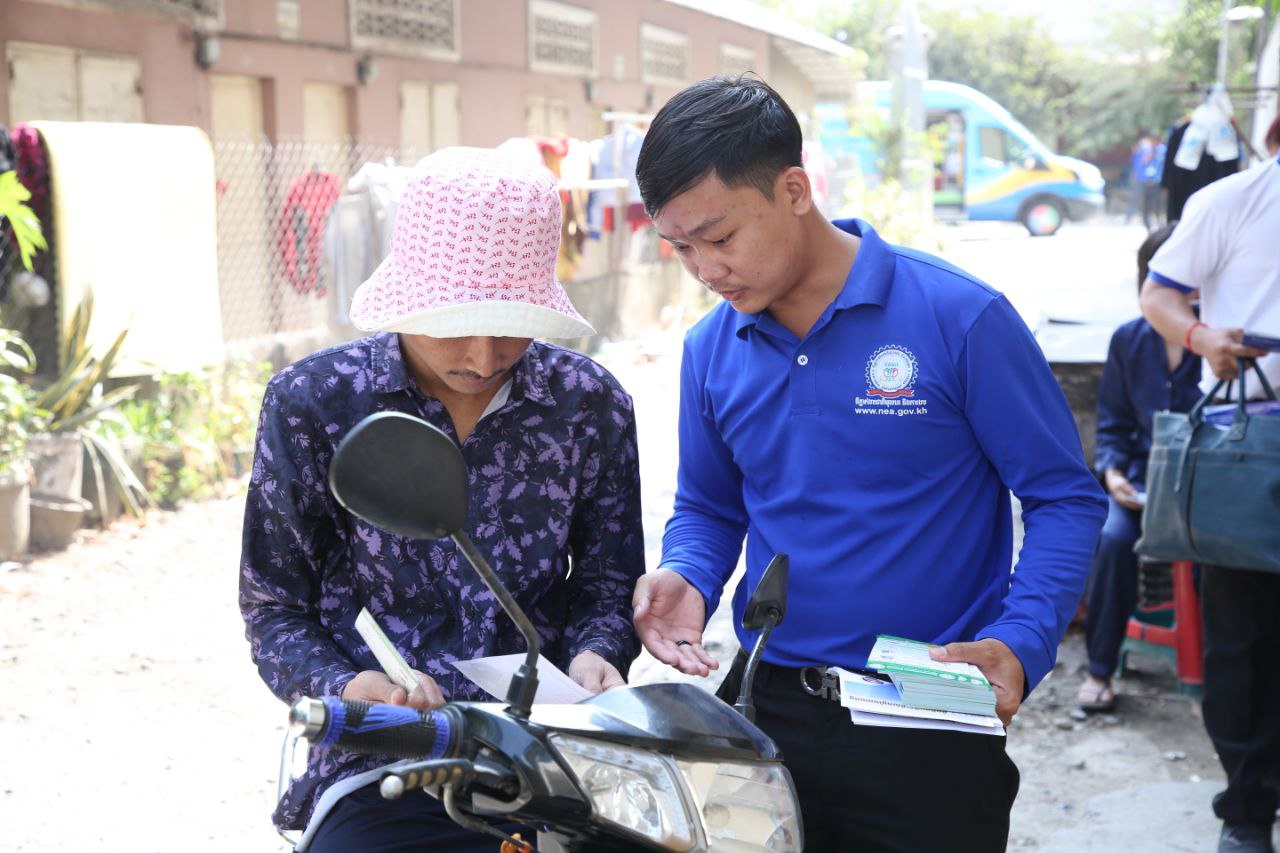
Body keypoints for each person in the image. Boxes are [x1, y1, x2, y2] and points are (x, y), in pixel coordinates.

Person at [630, 76, 1108, 851]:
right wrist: (689, 571)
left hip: (931, 714)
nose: (705, 269)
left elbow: (1063, 496)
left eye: (719, 238)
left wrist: (1021, 639)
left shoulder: (959, 317)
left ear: (794, 190)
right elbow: (711, 505)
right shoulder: (710, 348)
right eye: (680, 247)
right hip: (769, 708)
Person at [238, 147, 645, 852]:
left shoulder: (589, 404)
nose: (483, 357)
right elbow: (274, 607)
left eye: (511, 324)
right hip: (383, 760)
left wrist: (597, 652)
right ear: (408, 298)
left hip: (552, 751)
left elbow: (609, 582)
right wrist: (349, 687)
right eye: (455, 323)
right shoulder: (314, 404)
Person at [1139, 114, 1280, 853]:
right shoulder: (1232, 200)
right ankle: (1248, 810)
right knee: (1244, 638)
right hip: (1246, 444)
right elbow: (1158, 294)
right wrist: (1201, 337)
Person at [1077, 221, 1202, 713]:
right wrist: (1113, 474)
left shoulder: (1216, 344)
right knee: (1111, 540)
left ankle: (1214, 671)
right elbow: (1112, 424)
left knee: (1218, 559)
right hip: (1138, 486)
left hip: (1201, 491)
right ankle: (1100, 669)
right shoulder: (1128, 340)